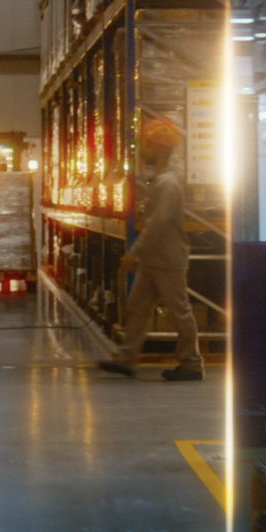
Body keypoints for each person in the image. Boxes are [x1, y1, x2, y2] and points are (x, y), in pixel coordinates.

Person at [96, 118, 202, 382]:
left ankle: (191, 363)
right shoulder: (159, 180)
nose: (145, 150)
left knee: (180, 311)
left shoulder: (167, 185)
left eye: (150, 146)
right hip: (154, 260)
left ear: (162, 149)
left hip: (167, 259)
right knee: (137, 307)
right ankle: (126, 358)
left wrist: (135, 252)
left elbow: (157, 225)